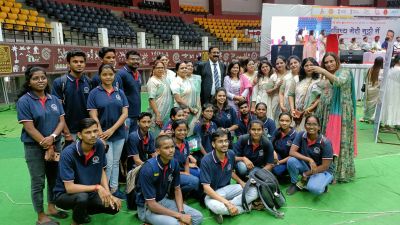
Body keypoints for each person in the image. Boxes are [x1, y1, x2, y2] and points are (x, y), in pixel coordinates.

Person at [17, 66, 67, 225]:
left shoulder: (54, 99)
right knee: (38, 181)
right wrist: (47, 145)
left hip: (55, 143)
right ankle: (41, 216)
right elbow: (29, 127)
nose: (40, 81)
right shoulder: (24, 101)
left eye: (43, 78)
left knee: (54, 178)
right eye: (35, 78)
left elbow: (61, 121)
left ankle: (52, 208)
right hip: (34, 148)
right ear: (29, 82)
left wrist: (52, 138)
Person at [54, 118, 121, 225]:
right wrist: (98, 187)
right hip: (65, 195)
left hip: (89, 192)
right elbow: (69, 188)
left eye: (95, 131)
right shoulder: (68, 153)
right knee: (82, 198)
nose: (93, 135)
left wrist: (107, 192)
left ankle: (83, 211)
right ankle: (76, 221)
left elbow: (101, 170)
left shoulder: (99, 145)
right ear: (79, 135)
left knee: (114, 207)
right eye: (88, 132)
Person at [136, 135, 204, 225]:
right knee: (176, 224)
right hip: (147, 208)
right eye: (166, 148)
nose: (171, 150)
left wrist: (181, 212)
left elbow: (177, 189)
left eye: (172, 147)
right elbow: (151, 204)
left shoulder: (174, 162)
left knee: (198, 217)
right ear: (158, 151)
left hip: (163, 200)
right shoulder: (148, 169)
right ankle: (148, 221)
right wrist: (179, 216)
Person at [311, 52, 357, 183]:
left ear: (337, 61)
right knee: (327, 141)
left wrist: (322, 71)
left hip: (341, 113)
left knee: (339, 140)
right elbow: (319, 94)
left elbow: (339, 82)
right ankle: (326, 170)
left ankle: (339, 173)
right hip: (327, 113)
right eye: (326, 62)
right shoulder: (325, 77)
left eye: (331, 61)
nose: (329, 64)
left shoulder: (345, 72)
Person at [87, 64, 129, 199]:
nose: (108, 77)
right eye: (104, 74)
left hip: (118, 134)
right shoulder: (94, 93)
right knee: (108, 163)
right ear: (100, 76)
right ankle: (105, 192)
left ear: (114, 75)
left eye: (110, 74)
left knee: (116, 162)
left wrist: (112, 130)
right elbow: (93, 116)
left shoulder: (119, 92)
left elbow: (124, 114)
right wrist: (101, 134)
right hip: (102, 135)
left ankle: (114, 189)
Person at [200, 129, 258, 224]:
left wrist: (241, 182)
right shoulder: (206, 160)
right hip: (212, 193)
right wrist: (226, 203)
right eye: (220, 141)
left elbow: (230, 171)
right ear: (213, 144)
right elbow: (206, 188)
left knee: (253, 190)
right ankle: (247, 206)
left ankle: (225, 209)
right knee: (216, 206)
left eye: (226, 141)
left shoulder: (230, 153)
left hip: (228, 189)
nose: (224, 144)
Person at [286, 115, 334, 195]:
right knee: (291, 161)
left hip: (322, 170)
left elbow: (325, 166)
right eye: (308, 124)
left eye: (314, 124)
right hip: (308, 165)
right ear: (305, 126)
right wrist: (310, 160)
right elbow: (292, 152)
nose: (311, 127)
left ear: (319, 127)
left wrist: (306, 174)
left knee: (315, 189)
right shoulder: (301, 135)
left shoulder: (325, 142)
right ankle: (294, 184)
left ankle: (322, 182)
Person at [52, 49, 91, 143]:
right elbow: (58, 110)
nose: (79, 64)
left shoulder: (89, 82)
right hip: (68, 131)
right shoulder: (59, 82)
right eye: (75, 61)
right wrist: (66, 133)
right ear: (68, 64)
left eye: (81, 62)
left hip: (86, 130)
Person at [289, 57, 321, 129]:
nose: (309, 67)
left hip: (313, 112)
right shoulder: (296, 79)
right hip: (298, 113)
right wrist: (292, 110)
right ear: (302, 67)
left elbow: (320, 97)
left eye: (311, 65)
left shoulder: (320, 79)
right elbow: (291, 95)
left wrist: (310, 109)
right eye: (306, 66)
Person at [116, 50, 142, 133]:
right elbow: (118, 95)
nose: (135, 61)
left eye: (137, 59)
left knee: (134, 138)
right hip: (126, 116)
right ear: (126, 60)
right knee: (125, 141)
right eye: (132, 59)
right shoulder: (121, 74)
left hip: (136, 114)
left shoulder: (138, 73)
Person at [171, 120, 200, 193]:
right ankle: (174, 193)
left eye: (185, 130)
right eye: (179, 130)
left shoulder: (185, 142)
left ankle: (195, 193)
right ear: (173, 130)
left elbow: (186, 159)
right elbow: (168, 168)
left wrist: (187, 172)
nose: (183, 132)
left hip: (183, 170)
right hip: (172, 174)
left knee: (202, 174)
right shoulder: (169, 144)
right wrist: (185, 174)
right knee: (195, 181)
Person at [147, 60, 173, 136]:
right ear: (153, 69)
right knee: (157, 136)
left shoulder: (165, 79)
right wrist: (158, 115)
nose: (160, 69)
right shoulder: (152, 81)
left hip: (167, 113)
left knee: (166, 135)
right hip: (157, 114)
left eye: (162, 67)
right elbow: (151, 99)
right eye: (158, 68)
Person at [271, 112, 297, 177]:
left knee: (277, 171)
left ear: (291, 121)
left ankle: (288, 172)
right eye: (282, 120)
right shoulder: (277, 131)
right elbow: (270, 145)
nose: (284, 123)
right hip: (277, 157)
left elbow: (294, 155)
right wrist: (274, 153)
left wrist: (279, 162)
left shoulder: (295, 135)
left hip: (288, 160)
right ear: (278, 121)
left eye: (287, 121)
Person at [360, 57, 383, 123]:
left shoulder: (369, 69)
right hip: (376, 90)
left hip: (368, 89)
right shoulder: (381, 71)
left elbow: (365, 79)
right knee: (374, 105)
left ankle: (366, 116)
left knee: (368, 104)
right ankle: (372, 117)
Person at [380, 54, 400, 126]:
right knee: (395, 104)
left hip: (389, 89)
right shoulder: (397, 69)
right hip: (396, 89)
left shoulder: (390, 68)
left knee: (390, 103)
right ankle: (393, 120)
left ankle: (387, 119)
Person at [186, 60, 202, 135]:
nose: (190, 67)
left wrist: (198, 107)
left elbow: (199, 93)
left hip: (197, 107)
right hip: (185, 108)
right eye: (188, 66)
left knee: (195, 127)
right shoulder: (181, 80)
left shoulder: (198, 78)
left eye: (191, 66)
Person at [270, 56, 287, 121]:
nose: (279, 65)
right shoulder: (273, 76)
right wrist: (276, 87)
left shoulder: (291, 74)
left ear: (285, 63)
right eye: (277, 64)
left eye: (281, 63)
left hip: (288, 99)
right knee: (275, 117)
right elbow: (268, 91)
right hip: (276, 99)